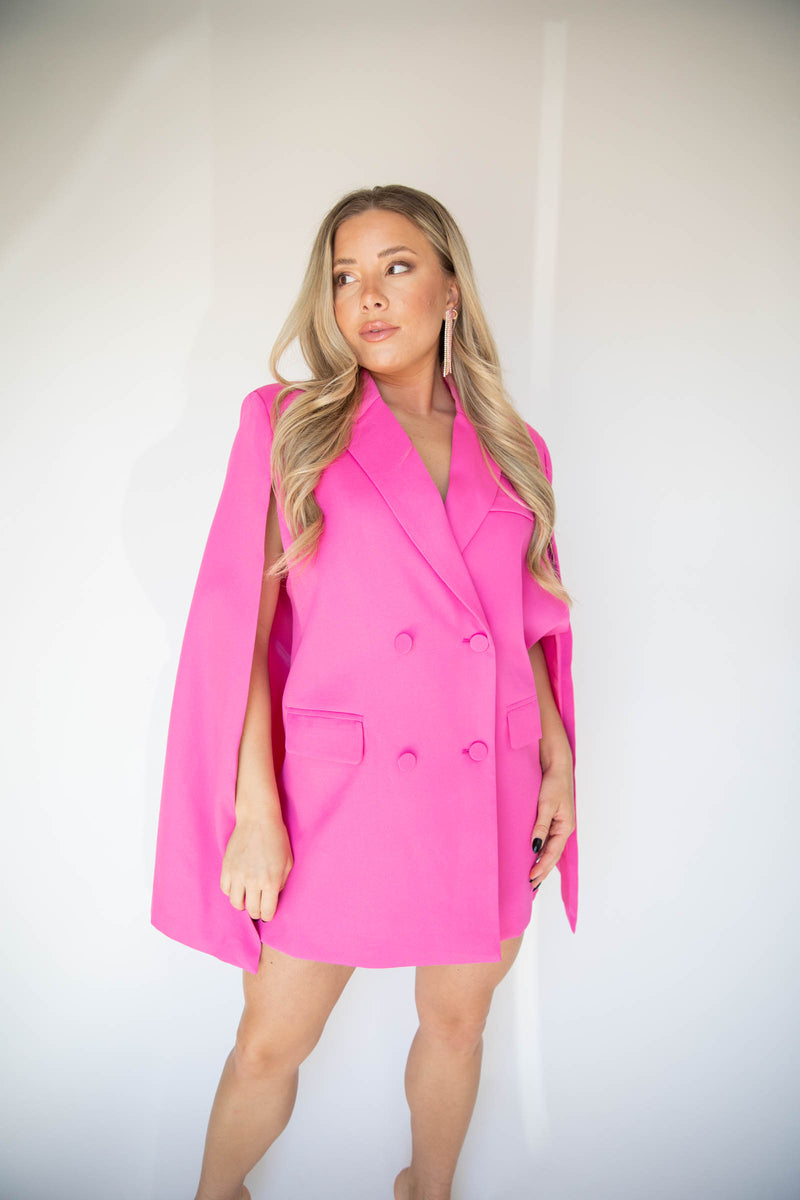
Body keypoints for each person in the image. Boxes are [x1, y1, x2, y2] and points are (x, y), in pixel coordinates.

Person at [151, 183, 578, 1200]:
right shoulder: (289, 423)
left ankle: (424, 1191)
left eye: (396, 267)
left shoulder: (514, 446)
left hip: (489, 775)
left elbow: (519, 625)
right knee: (269, 1042)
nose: (367, 297)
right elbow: (237, 635)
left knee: (458, 1024)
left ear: (449, 290)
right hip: (335, 793)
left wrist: (558, 760)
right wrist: (255, 809)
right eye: (345, 276)